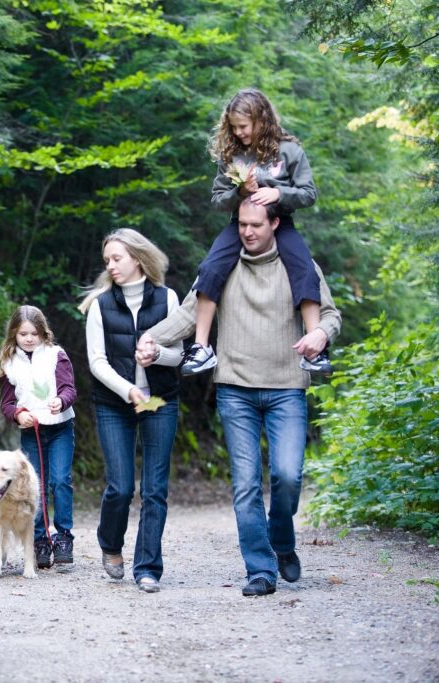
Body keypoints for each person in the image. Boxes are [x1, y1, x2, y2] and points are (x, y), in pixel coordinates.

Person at [138, 199, 341, 596]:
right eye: (242, 224)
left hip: (287, 387)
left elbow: (330, 315)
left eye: (256, 225)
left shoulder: (300, 266)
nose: (248, 232)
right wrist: (151, 338)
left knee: (287, 476)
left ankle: (281, 540)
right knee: (246, 484)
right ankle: (261, 570)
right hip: (235, 390)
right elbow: (187, 314)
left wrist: (321, 334)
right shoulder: (223, 265)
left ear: (275, 223)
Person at [175, 88, 331, 376]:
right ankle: (200, 347)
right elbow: (218, 199)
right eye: (233, 127)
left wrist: (277, 194)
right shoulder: (232, 154)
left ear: (261, 120)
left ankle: (315, 349)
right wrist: (239, 192)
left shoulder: (290, 151)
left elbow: (308, 194)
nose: (239, 132)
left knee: (305, 270)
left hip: (279, 223)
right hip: (239, 224)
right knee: (209, 269)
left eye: (243, 126)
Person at [78, 229, 184, 593]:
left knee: (155, 489)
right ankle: (110, 544)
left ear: (137, 258)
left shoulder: (168, 298)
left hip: (161, 401)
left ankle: (148, 568)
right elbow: (96, 362)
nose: (110, 265)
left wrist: (158, 356)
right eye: (107, 260)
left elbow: (179, 355)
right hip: (114, 404)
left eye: (116, 258)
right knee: (120, 487)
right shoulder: (100, 304)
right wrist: (128, 390)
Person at [0, 305, 77, 569]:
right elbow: (7, 403)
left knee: (60, 480)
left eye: (34, 333)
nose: (29, 339)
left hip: (59, 428)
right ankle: (40, 540)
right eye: (23, 334)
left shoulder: (57, 355)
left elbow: (69, 389)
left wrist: (60, 400)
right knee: (36, 487)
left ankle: (64, 538)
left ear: (44, 334)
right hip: (31, 432)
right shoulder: (9, 363)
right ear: (15, 335)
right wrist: (18, 414)